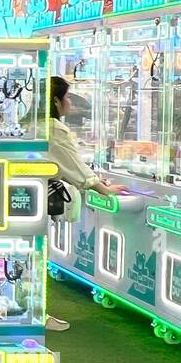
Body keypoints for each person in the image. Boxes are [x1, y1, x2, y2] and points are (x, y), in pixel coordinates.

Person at [46, 75, 113, 331]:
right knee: (38, 255)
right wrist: (104, 189)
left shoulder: (34, 125)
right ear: (56, 100)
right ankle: (37, 312)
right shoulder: (53, 129)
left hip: (26, 199)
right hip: (39, 201)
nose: (70, 104)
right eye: (67, 98)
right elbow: (75, 168)